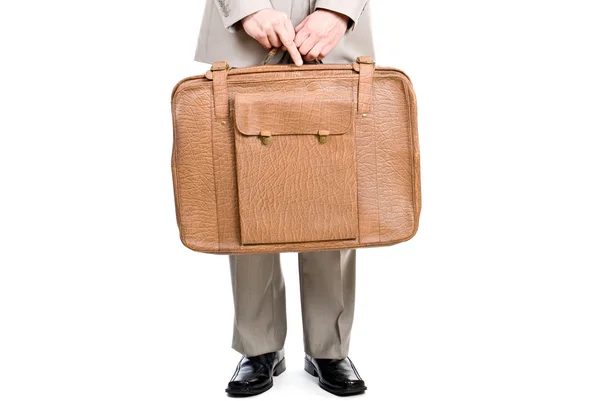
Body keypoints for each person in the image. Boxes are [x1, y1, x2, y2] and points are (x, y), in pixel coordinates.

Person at [193, 0, 375, 396]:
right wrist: (245, 8)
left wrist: (340, 10)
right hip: (242, 30)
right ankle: (259, 348)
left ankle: (330, 347)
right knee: (247, 189)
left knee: (332, 191)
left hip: (332, 34)